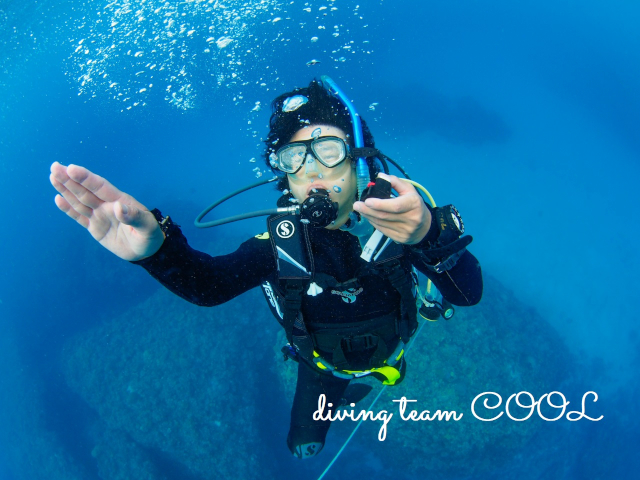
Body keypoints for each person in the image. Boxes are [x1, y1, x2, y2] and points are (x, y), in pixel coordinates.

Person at [49, 78, 482, 459]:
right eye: (293, 157)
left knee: (383, 372)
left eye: (329, 150)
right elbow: (209, 287)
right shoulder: (278, 246)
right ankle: (342, 396)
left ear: (359, 160)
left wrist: (428, 234)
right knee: (303, 443)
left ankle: (376, 376)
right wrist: (155, 251)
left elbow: (466, 294)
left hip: (394, 348)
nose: (311, 170)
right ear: (283, 174)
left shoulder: (403, 223)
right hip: (319, 367)